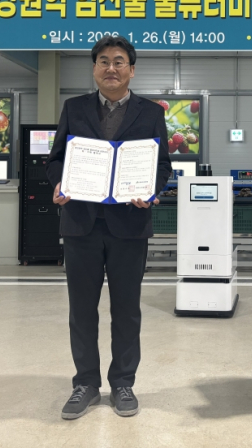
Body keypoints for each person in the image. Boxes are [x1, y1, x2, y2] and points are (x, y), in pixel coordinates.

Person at [46, 35, 172, 420]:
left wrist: (150, 190)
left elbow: (161, 165)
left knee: (127, 310)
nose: (111, 68)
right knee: (82, 310)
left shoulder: (151, 112)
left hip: (129, 225)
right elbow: (56, 159)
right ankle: (85, 383)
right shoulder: (75, 107)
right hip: (81, 223)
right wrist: (59, 182)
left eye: (119, 61)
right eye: (103, 61)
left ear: (131, 70)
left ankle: (123, 383)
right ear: (94, 68)